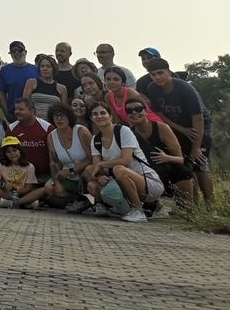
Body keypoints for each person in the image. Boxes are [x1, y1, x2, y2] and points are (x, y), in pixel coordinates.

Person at [142, 58, 214, 205]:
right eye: (153, 74)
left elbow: (198, 119)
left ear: (168, 72)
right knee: (184, 166)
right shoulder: (152, 88)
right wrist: (181, 130)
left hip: (199, 127)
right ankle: (192, 206)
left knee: (198, 164)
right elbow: (159, 114)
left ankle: (211, 206)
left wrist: (196, 148)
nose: (157, 77)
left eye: (160, 73)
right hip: (178, 127)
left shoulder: (185, 89)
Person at [88, 102, 164, 222]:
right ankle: (124, 209)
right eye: (95, 114)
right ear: (92, 119)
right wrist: (100, 176)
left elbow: (125, 160)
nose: (99, 116)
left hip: (149, 183)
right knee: (92, 185)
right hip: (122, 180)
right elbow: (96, 167)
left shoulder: (123, 131)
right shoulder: (95, 139)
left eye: (103, 113)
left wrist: (102, 164)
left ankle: (139, 211)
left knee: (119, 168)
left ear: (110, 116)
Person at [124, 93, 195, 204]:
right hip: (146, 172)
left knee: (182, 171)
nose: (134, 113)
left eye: (138, 109)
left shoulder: (162, 128)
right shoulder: (128, 133)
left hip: (167, 168)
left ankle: (187, 205)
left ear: (146, 111)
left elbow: (181, 158)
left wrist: (166, 157)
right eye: (129, 111)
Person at [43, 103, 91, 205]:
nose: (59, 119)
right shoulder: (51, 136)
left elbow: (91, 158)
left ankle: (84, 199)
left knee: (88, 171)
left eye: (62, 116)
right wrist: (56, 182)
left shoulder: (81, 131)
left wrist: (72, 170)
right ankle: (77, 200)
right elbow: (53, 162)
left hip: (84, 172)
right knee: (49, 187)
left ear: (69, 117)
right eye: (56, 116)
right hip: (67, 175)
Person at [0, 136, 48, 209]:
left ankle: (14, 203)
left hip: (23, 193)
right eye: (8, 152)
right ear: (5, 154)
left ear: (20, 151)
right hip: (8, 193)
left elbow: (28, 187)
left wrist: (17, 192)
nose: (12, 153)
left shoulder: (29, 166)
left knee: (42, 190)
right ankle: (24, 203)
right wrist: (3, 185)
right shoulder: (0, 164)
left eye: (14, 150)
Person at [7, 98, 53, 185]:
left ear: (32, 111)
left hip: (45, 175)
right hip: (20, 175)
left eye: (21, 109)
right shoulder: (11, 129)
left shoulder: (47, 128)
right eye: (15, 109)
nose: (17, 112)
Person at [0, 41, 37, 118]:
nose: (17, 53)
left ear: (25, 52)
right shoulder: (4, 70)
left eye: (20, 50)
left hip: (34, 113)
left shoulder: (36, 69)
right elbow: (1, 93)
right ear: (10, 54)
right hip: (14, 114)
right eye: (13, 51)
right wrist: (7, 113)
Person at [22, 54, 67, 121]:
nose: (45, 69)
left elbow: (64, 111)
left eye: (48, 66)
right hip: (34, 123)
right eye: (42, 66)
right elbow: (24, 104)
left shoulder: (61, 88)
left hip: (53, 124)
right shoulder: (31, 83)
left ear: (53, 68)